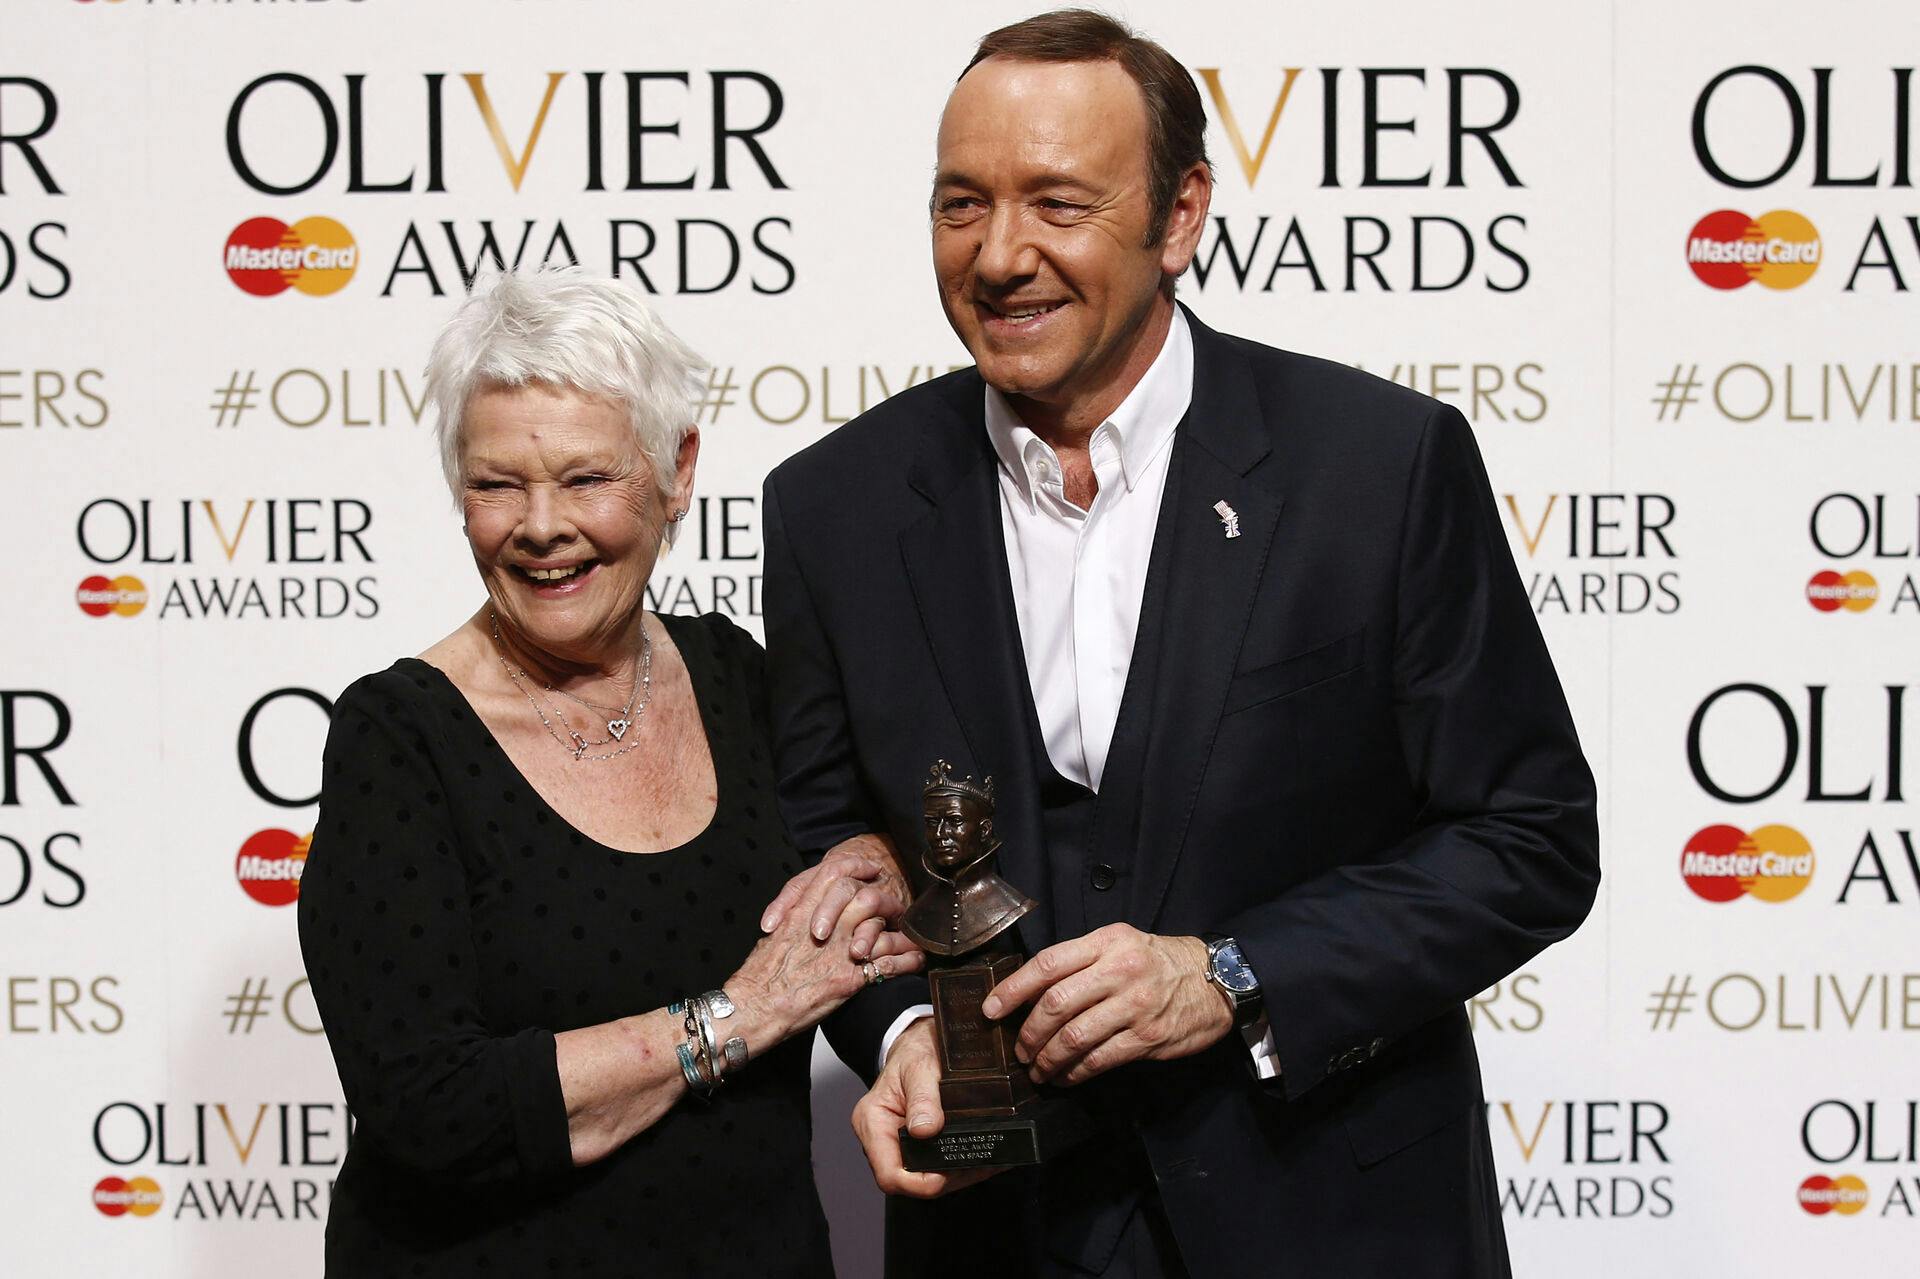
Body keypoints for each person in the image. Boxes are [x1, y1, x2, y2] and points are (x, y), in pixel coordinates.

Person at [760, 10, 1600, 1277]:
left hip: (1331, 1215)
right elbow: (831, 855)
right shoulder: (836, 505)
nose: (999, 256)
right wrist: (902, 1037)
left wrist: (1232, 974)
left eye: (1057, 202)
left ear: (1181, 214)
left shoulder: (1377, 467)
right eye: (960, 204)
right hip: (1000, 1232)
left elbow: (1530, 837)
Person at [296, 267, 920, 1278]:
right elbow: (429, 1109)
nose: (541, 525)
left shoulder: (740, 680)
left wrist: (883, 872)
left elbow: (846, 920)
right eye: (498, 482)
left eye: (586, 478)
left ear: (677, 471)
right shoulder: (399, 738)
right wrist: (736, 1016)